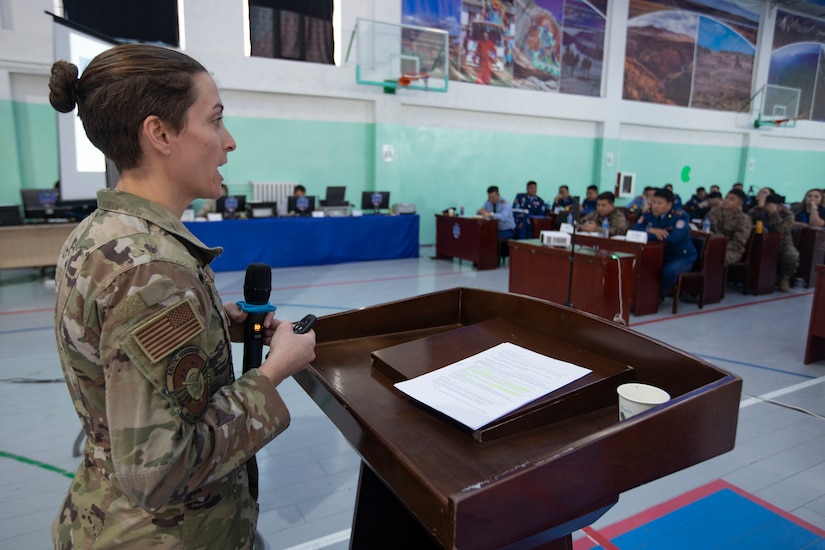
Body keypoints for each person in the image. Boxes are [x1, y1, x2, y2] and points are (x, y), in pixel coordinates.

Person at [48, 44, 316, 548]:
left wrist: (212, 327)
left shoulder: (103, 233)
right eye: (214, 121)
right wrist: (276, 370)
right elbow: (161, 470)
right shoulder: (153, 270)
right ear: (161, 134)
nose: (229, 142)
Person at [632, 188, 697, 299]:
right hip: (659, 255)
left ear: (669, 205)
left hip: (680, 256)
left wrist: (647, 233)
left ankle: (656, 298)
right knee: (641, 267)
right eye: (654, 202)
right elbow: (635, 230)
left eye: (659, 203)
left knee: (668, 271)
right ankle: (639, 297)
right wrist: (650, 230)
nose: (655, 206)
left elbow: (672, 238)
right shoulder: (649, 213)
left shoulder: (680, 216)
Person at [749, 194, 799, 292]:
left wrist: (773, 213)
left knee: (792, 255)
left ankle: (784, 278)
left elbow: (779, 229)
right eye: (767, 205)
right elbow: (747, 223)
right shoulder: (756, 211)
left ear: (780, 206)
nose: (767, 208)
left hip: (782, 243)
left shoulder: (787, 214)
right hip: (759, 241)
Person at [707, 189, 752, 265]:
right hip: (710, 244)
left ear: (740, 203)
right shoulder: (714, 211)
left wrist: (718, 246)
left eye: (732, 199)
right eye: (726, 197)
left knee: (715, 258)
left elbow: (738, 243)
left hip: (730, 250)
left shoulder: (743, 220)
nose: (727, 201)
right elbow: (703, 226)